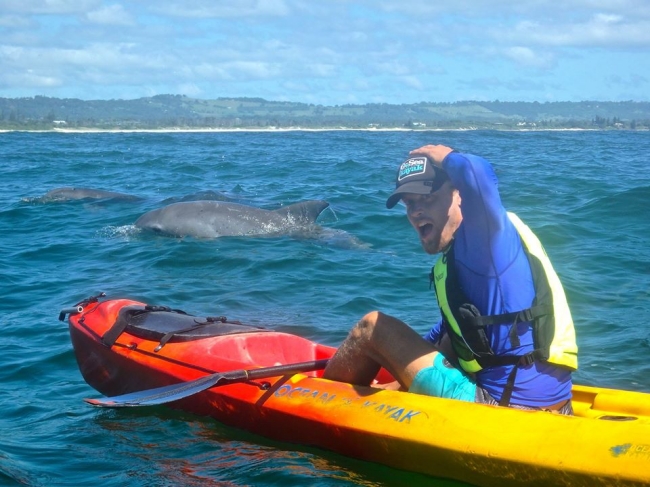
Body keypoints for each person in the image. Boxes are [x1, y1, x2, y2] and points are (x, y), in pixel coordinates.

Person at [323, 144, 578, 413]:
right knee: (442, 344)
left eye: (428, 198)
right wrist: (395, 369)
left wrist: (444, 156)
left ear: (458, 195)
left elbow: (479, 176)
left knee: (370, 328)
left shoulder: (485, 239)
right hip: (555, 406)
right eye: (410, 203)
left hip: (504, 408)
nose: (416, 211)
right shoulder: (469, 254)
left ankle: (322, 404)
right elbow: (447, 335)